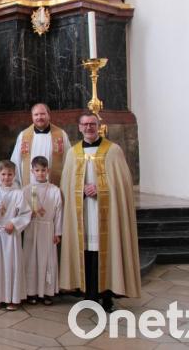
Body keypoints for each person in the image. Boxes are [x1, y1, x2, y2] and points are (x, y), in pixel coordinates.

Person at [59, 112, 141, 312]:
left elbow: (122, 184)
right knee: (86, 251)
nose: (88, 128)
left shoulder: (113, 151)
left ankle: (107, 297)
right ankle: (89, 296)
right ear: (79, 128)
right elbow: (66, 185)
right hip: (83, 211)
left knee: (106, 251)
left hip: (107, 213)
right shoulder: (73, 153)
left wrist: (100, 189)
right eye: (85, 124)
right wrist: (81, 191)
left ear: (99, 126)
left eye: (92, 124)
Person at [0, 160, 32, 311]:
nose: (6, 177)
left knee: (11, 266)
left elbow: (26, 213)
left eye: (9, 174)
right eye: (3, 174)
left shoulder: (18, 193)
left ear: (14, 175)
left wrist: (14, 223)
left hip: (11, 234)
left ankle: (13, 298)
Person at [22, 156, 62, 305]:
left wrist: (57, 232)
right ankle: (31, 292)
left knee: (47, 260)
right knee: (31, 259)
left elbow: (59, 213)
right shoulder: (26, 190)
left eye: (43, 170)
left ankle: (46, 292)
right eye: (37, 170)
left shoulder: (55, 190)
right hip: (32, 227)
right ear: (32, 171)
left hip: (47, 229)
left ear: (48, 171)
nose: (40, 173)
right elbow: (21, 210)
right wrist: (28, 214)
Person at [10, 103, 71, 187]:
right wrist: (16, 185)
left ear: (49, 115)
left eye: (42, 114)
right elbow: (16, 161)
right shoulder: (23, 136)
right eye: (36, 115)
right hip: (29, 188)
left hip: (53, 190)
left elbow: (68, 161)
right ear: (32, 117)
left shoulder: (61, 135)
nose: (39, 117)